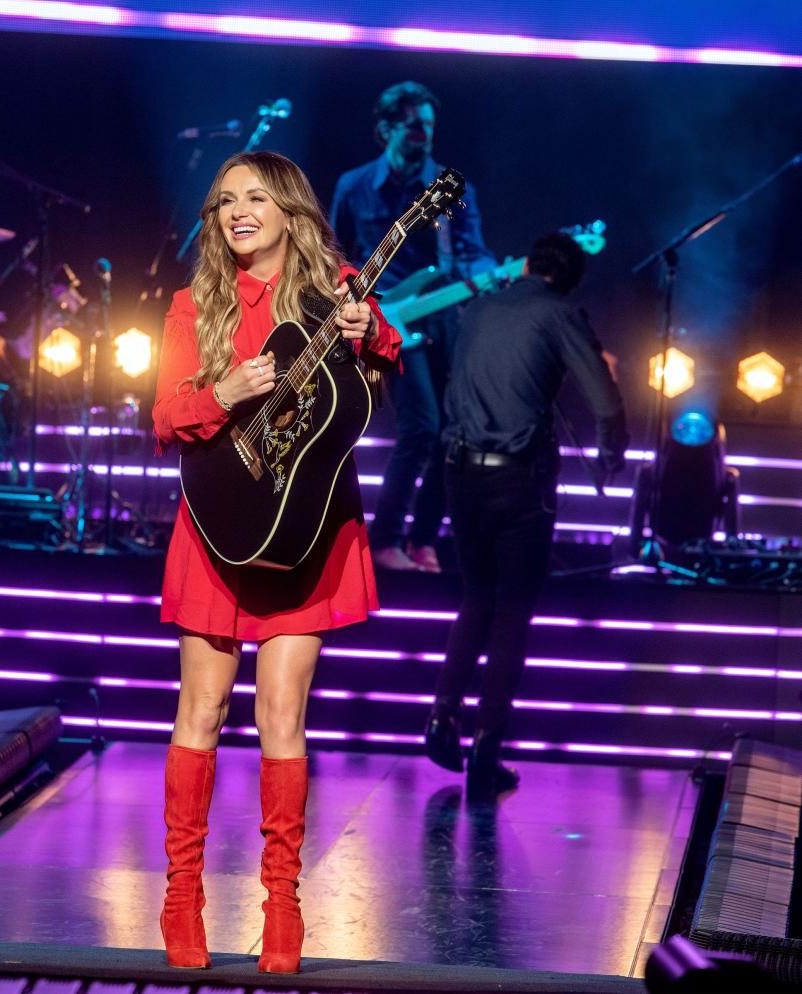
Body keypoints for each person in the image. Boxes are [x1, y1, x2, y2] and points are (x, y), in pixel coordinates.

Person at [152, 151, 401, 973]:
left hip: (309, 528)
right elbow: (166, 414)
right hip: (219, 527)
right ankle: (182, 894)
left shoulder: (337, 289)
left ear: (291, 208)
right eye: (226, 201)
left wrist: (370, 331)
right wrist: (221, 393)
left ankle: (282, 903)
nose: (238, 212)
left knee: (282, 718)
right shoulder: (196, 305)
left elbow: (386, 351)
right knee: (203, 710)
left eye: (256, 197)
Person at [425, 231, 628, 799]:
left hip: (459, 470)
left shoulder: (481, 308)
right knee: (512, 612)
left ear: (530, 265)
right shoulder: (561, 312)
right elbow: (605, 398)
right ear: (568, 279)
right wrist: (612, 454)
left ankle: (442, 718)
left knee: (476, 596)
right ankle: (486, 754)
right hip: (520, 478)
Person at [331, 81, 496, 572]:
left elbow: (473, 250)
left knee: (455, 433)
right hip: (385, 321)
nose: (424, 133)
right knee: (422, 426)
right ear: (385, 129)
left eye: (429, 124)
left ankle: (423, 541)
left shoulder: (450, 187)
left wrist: (485, 274)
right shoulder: (354, 186)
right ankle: (384, 540)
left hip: (445, 320)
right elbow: (333, 255)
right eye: (413, 124)